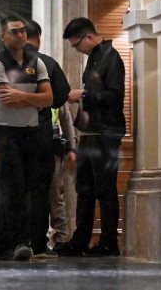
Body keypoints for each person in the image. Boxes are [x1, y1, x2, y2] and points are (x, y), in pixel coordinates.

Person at [0, 17, 53, 261]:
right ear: (3, 36)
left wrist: (23, 96)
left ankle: (3, 244)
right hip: (5, 131)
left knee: (26, 189)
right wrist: (34, 99)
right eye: (14, 32)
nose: (20, 35)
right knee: (13, 189)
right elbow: (6, 100)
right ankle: (20, 242)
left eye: (23, 31)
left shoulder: (37, 62)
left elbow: (50, 99)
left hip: (31, 131)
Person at [58, 17, 125, 258]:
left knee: (105, 190)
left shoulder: (111, 57)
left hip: (105, 133)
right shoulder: (95, 57)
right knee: (84, 188)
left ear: (88, 36)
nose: (77, 50)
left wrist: (83, 95)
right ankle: (80, 240)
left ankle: (109, 242)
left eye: (77, 45)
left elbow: (115, 96)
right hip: (90, 132)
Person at [24, 19, 71, 258]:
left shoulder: (4, 63)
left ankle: (15, 242)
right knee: (40, 191)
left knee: (15, 190)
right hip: (41, 136)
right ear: (38, 37)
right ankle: (39, 245)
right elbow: (61, 96)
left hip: (12, 136)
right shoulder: (48, 63)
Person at [48, 104, 78, 252]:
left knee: (55, 195)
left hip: (53, 149)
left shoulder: (56, 92)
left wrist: (72, 147)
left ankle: (61, 237)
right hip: (33, 146)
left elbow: (66, 120)